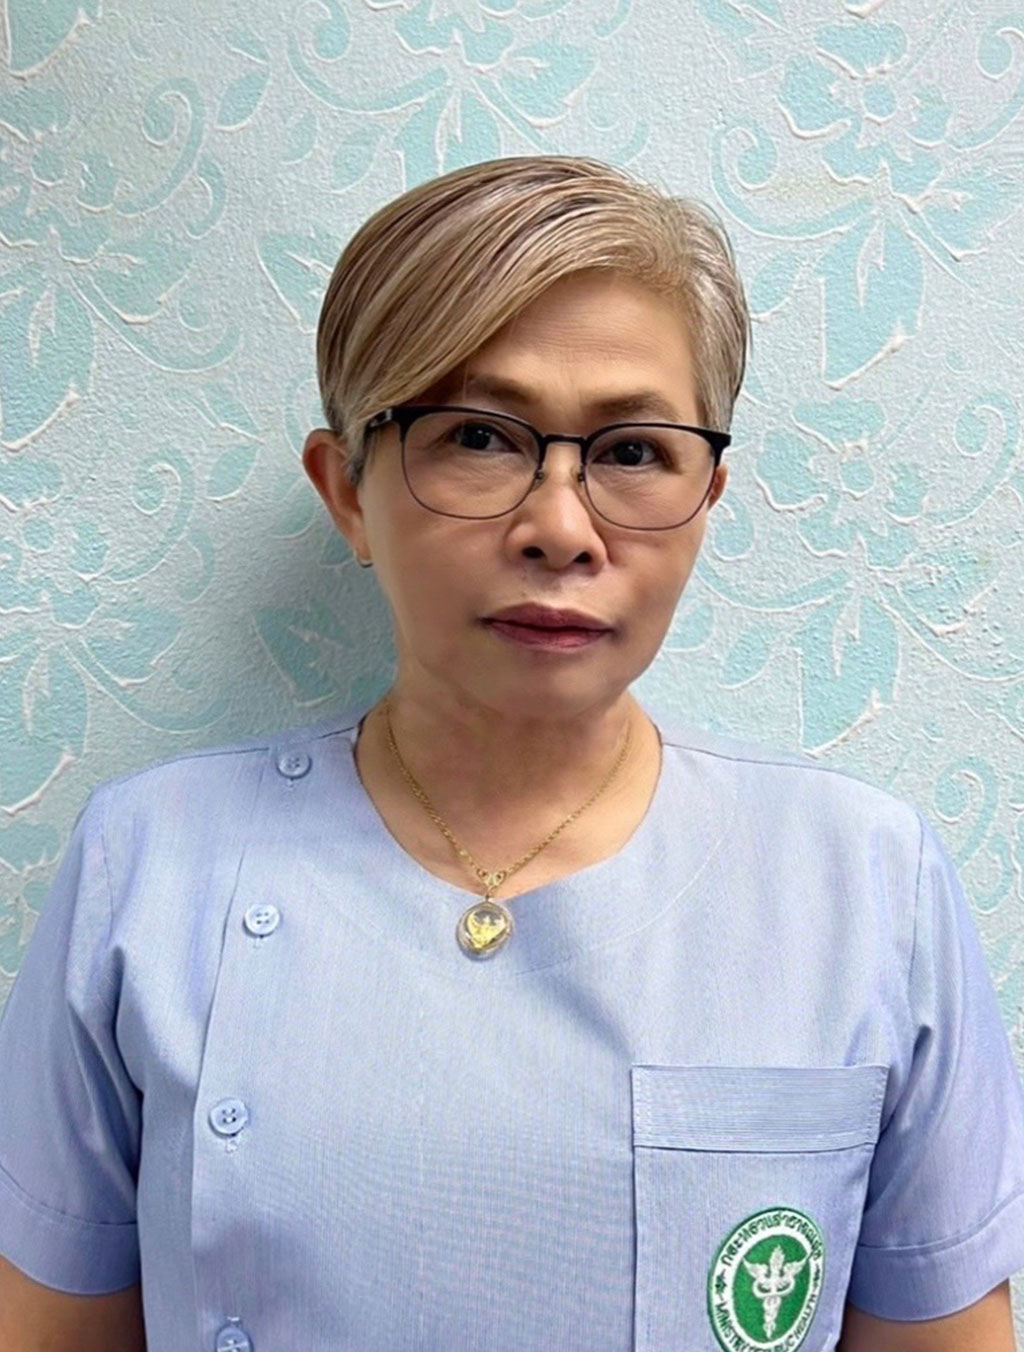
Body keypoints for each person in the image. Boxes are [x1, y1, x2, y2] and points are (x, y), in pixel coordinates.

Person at [1, 154, 1022, 1352]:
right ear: (346, 491)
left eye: (633, 452)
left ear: (708, 496)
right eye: (478, 436)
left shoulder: (864, 883)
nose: (559, 527)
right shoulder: (152, 867)